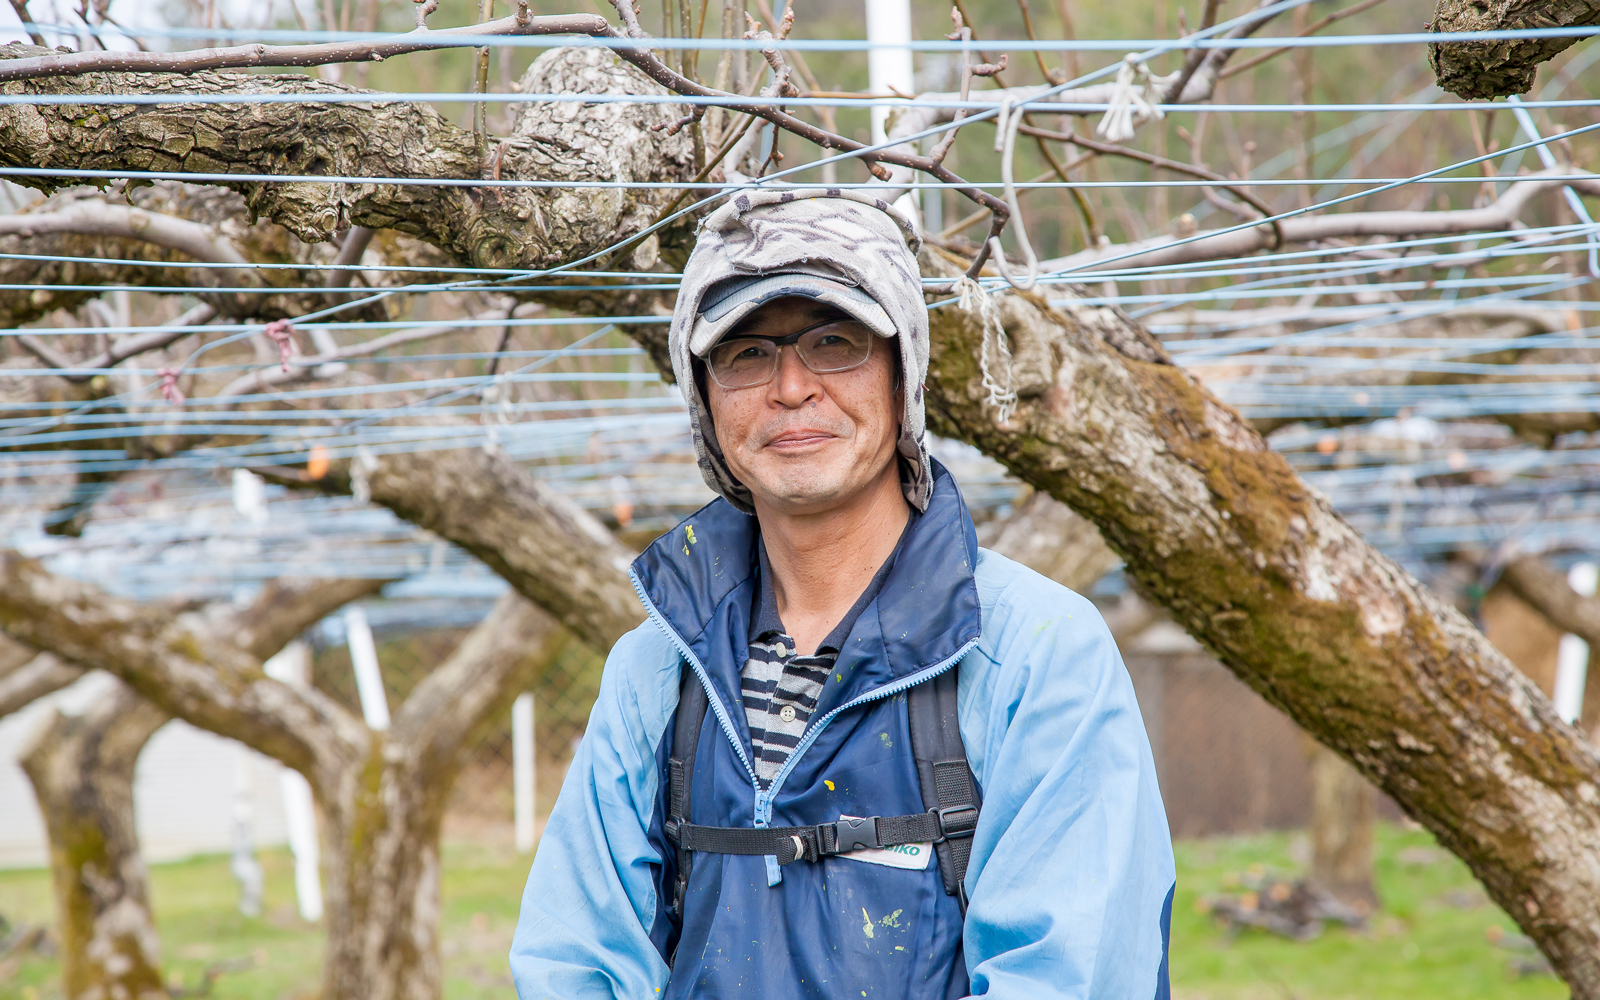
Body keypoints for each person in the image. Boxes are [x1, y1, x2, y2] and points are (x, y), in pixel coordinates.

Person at [510, 190, 1175, 999]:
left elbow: (1068, 973)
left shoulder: (1031, 655)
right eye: (746, 353)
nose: (790, 387)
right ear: (705, 398)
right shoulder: (655, 671)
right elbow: (577, 964)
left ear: (904, 377)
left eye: (835, 342)